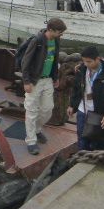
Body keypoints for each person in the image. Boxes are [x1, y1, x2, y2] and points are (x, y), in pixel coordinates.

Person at [21, 18, 67, 155]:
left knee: (48, 109)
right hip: (34, 80)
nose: (61, 34)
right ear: (51, 30)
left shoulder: (56, 41)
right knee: (31, 111)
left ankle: (36, 130)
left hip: (47, 79)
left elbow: (55, 59)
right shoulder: (37, 41)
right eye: (59, 32)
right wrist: (26, 82)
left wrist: (55, 77)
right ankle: (31, 141)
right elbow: (25, 61)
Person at [68, 46, 104, 150]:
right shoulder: (81, 69)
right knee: (81, 140)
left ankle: (95, 157)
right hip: (83, 109)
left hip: (99, 113)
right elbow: (76, 88)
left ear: (98, 59)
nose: (86, 64)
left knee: (97, 143)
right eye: (84, 61)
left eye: (89, 61)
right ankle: (82, 157)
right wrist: (72, 105)